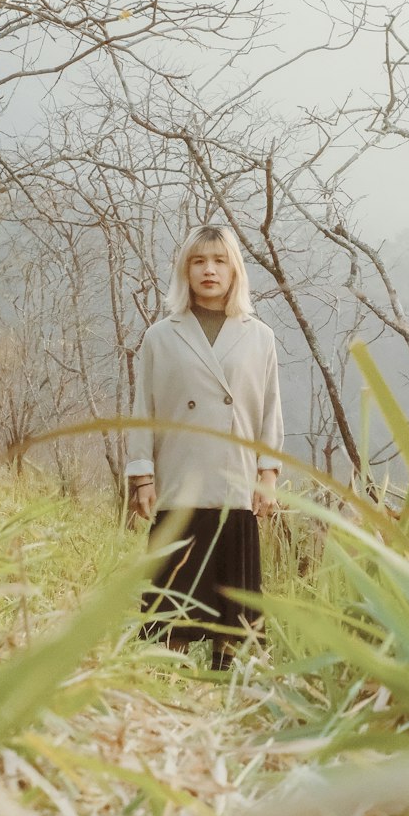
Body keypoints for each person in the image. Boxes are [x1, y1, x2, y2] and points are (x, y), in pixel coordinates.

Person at [125, 224, 284, 669]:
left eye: (219, 261)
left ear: (235, 270)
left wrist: (268, 473)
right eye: (198, 261)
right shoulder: (161, 336)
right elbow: (144, 409)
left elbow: (270, 408)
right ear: (185, 270)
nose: (209, 270)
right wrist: (142, 475)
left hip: (235, 480)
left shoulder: (260, 336)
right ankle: (163, 683)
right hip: (180, 477)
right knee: (172, 598)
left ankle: (227, 685)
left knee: (233, 611)